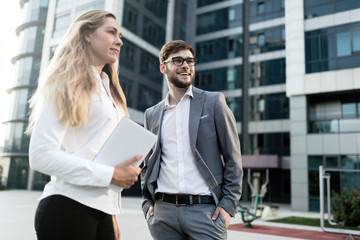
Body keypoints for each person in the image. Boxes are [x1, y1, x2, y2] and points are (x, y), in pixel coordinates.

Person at [27, 10, 142, 240]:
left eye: (120, 35)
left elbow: (100, 153)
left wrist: (111, 214)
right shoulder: (65, 81)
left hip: (102, 212)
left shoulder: (112, 91)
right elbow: (40, 155)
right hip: (67, 207)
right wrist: (110, 175)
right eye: (111, 32)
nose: (119, 40)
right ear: (87, 35)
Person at [141, 40, 243, 240]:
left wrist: (228, 206)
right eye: (178, 61)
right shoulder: (151, 114)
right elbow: (147, 164)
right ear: (163, 67)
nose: (185, 65)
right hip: (163, 215)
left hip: (206, 213)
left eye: (190, 61)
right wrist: (147, 204)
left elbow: (233, 157)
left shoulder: (214, 102)